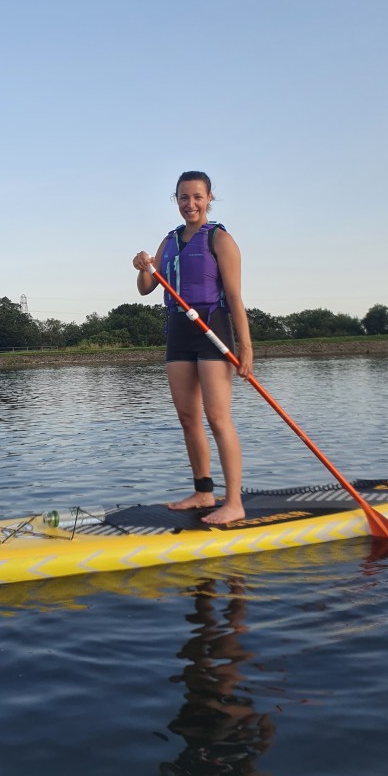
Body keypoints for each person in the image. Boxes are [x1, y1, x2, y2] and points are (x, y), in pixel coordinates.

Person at [132, 170, 253, 524]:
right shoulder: (168, 241)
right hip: (178, 331)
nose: (190, 204)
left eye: (197, 197)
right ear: (177, 200)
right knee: (187, 417)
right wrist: (142, 267)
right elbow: (146, 288)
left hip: (212, 328)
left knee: (217, 417)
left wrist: (246, 348)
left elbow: (235, 297)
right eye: (184, 197)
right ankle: (203, 491)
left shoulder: (220, 239)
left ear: (209, 198)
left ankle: (234, 502)